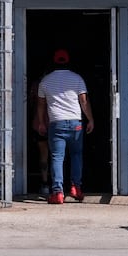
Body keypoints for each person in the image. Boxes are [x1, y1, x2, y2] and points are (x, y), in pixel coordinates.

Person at [34, 49, 94, 204]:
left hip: (56, 123)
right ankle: (76, 188)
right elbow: (84, 101)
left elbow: (41, 105)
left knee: (57, 157)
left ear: (53, 62)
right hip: (75, 123)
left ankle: (58, 192)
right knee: (76, 156)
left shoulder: (45, 81)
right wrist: (90, 120)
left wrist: (41, 122)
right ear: (68, 61)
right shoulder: (77, 79)